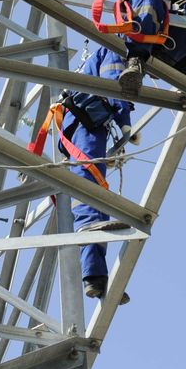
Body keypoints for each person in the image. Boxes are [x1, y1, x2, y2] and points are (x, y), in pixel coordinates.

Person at [62, 45, 136, 301]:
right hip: (87, 121)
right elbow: (114, 85)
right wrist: (125, 123)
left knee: (97, 201)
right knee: (90, 187)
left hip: (82, 120)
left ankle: (97, 278)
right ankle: (94, 275)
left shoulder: (94, 55)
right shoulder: (114, 49)